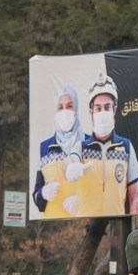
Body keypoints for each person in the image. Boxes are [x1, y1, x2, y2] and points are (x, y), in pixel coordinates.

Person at [82, 75, 138, 218]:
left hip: (117, 231)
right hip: (83, 232)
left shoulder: (126, 147)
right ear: (91, 112)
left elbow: (135, 200)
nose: (103, 112)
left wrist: (134, 234)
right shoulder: (80, 148)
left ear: (114, 110)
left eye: (107, 107)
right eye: (98, 108)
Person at [33, 84, 89, 215]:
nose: (65, 111)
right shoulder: (45, 148)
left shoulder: (91, 144)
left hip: (84, 221)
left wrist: (83, 202)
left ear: (76, 109)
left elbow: (103, 189)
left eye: (70, 106)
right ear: (55, 111)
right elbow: (37, 197)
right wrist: (44, 193)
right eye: (60, 107)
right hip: (52, 223)